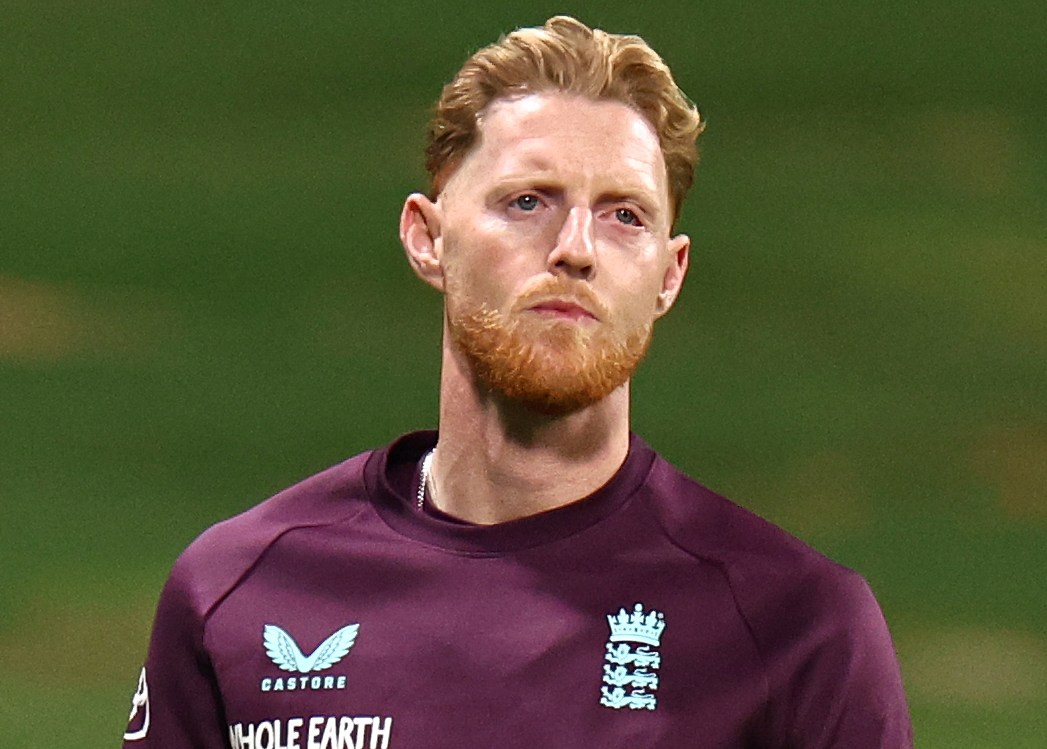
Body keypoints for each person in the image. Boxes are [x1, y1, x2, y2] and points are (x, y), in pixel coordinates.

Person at [123, 15, 913, 749]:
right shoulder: (241, 590)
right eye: (527, 201)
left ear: (669, 276)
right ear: (427, 238)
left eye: (624, 216)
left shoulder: (795, 630)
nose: (575, 248)